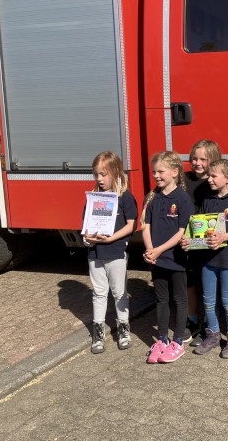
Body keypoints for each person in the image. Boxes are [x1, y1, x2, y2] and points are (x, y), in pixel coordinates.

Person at [193, 160, 228, 359]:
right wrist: (189, 239)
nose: (209, 179)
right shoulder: (208, 199)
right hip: (208, 260)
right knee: (208, 301)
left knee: (227, 300)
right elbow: (198, 226)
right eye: (209, 175)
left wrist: (223, 237)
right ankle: (213, 334)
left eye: (214, 176)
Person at [142, 151, 195, 364]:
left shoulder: (183, 198)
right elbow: (145, 226)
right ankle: (162, 339)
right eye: (154, 172)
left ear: (175, 172)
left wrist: (159, 249)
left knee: (179, 299)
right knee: (161, 299)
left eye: (161, 171)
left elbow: (182, 230)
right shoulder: (151, 197)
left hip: (176, 258)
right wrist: (149, 250)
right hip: (156, 259)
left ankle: (179, 341)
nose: (156, 175)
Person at [83, 151, 138, 354]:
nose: (99, 179)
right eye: (96, 174)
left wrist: (111, 238)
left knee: (119, 292)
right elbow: (85, 227)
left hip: (116, 252)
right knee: (98, 293)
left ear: (115, 173)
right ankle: (98, 333)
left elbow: (131, 225)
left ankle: (123, 329)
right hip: (95, 254)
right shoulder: (93, 198)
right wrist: (87, 239)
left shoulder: (125, 197)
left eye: (103, 174)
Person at [185, 140, 222, 347]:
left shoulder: (215, 182)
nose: (197, 163)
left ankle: (210, 322)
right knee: (190, 283)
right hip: (187, 241)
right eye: (194, 158)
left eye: (202, 159)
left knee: (209, 287)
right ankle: (192, 321)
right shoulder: (183, 180)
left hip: (209, 243)